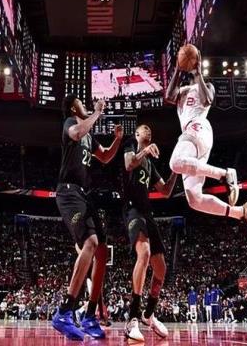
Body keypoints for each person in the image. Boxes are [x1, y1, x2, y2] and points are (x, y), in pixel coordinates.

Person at [165, 45, 247, 241]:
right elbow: (168, 96)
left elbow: (208, 99)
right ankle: (241, 212)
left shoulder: (207, 86)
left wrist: (198, 74)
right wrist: (177, 68)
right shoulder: (182, 91)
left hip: (198, 127)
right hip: (193, 141)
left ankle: (225, 174)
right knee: (195, 199)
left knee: (175, 162)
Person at [52, 95, 123, 341]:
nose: (86, 104)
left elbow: (105, 156)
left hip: (84, 194)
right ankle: (64, 311)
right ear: (74, 107)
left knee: (102, 251)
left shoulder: (89, 135)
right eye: (82, 103)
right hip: (68, 192)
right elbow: (76, 133)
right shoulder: (71, 122)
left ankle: (90, 316)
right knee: (90, 243)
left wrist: (117, 140)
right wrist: (97, 112)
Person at [122, 124, 177, 341]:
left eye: (150, 130)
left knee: (161, 268)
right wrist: (145, 150)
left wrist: (176, 169)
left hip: (147, 213)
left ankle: (148, 314)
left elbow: (166, 191)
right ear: (137, 134)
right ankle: (132, 317)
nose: (149, 130)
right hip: (132, 209)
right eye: (144, 129)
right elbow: (128, 164)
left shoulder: (150, 165)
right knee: (143, 254)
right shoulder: (130, 144)